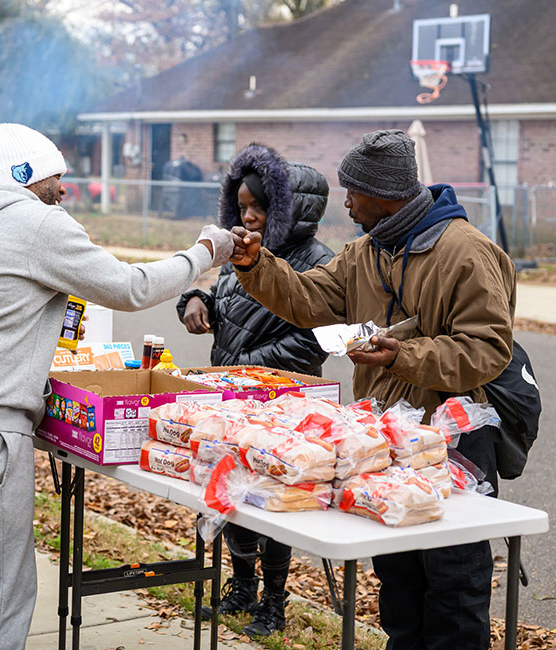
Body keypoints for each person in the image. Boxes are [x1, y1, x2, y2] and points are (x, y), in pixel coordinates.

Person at [0, 122, 238, 650]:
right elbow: (130, 287)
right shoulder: (36, 225)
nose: (64, 189)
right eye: (57, 176)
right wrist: (204, 253)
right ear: (26, 174)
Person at [229, 129, 515, 650]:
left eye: (353, 191)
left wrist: (403, 356)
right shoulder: (365, 251)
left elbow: (487, 351)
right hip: (381, 444)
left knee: (453, 585)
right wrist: (256, 265)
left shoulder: (468, 254)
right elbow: (310, 298)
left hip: (450, 443)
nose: (346, 201)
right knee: (399, 581)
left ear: (385, 194)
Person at [177, 143, 334, 637]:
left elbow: (311, 341)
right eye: (241, 206)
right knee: (230, 492)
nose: (247, 216)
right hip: (231, 400)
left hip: (281, 404)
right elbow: (228, 305)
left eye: (257, 207)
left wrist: (243, 371)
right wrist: (197, 299)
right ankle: (242, 587)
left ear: (288, 208)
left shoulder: (318, 260)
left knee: (269, 498)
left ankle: (274, 601)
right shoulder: (241, 249)